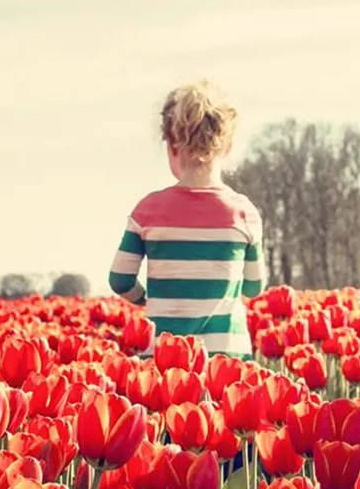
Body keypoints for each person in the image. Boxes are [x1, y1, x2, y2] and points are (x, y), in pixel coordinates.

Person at [108, 80, 265, 358]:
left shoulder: (148, 210)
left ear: (171, 146)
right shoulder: (243, 213)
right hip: (226, 355)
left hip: (163, 356)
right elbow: (254, 287)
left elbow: (120, 279)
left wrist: (146, 299)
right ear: (227, 147)